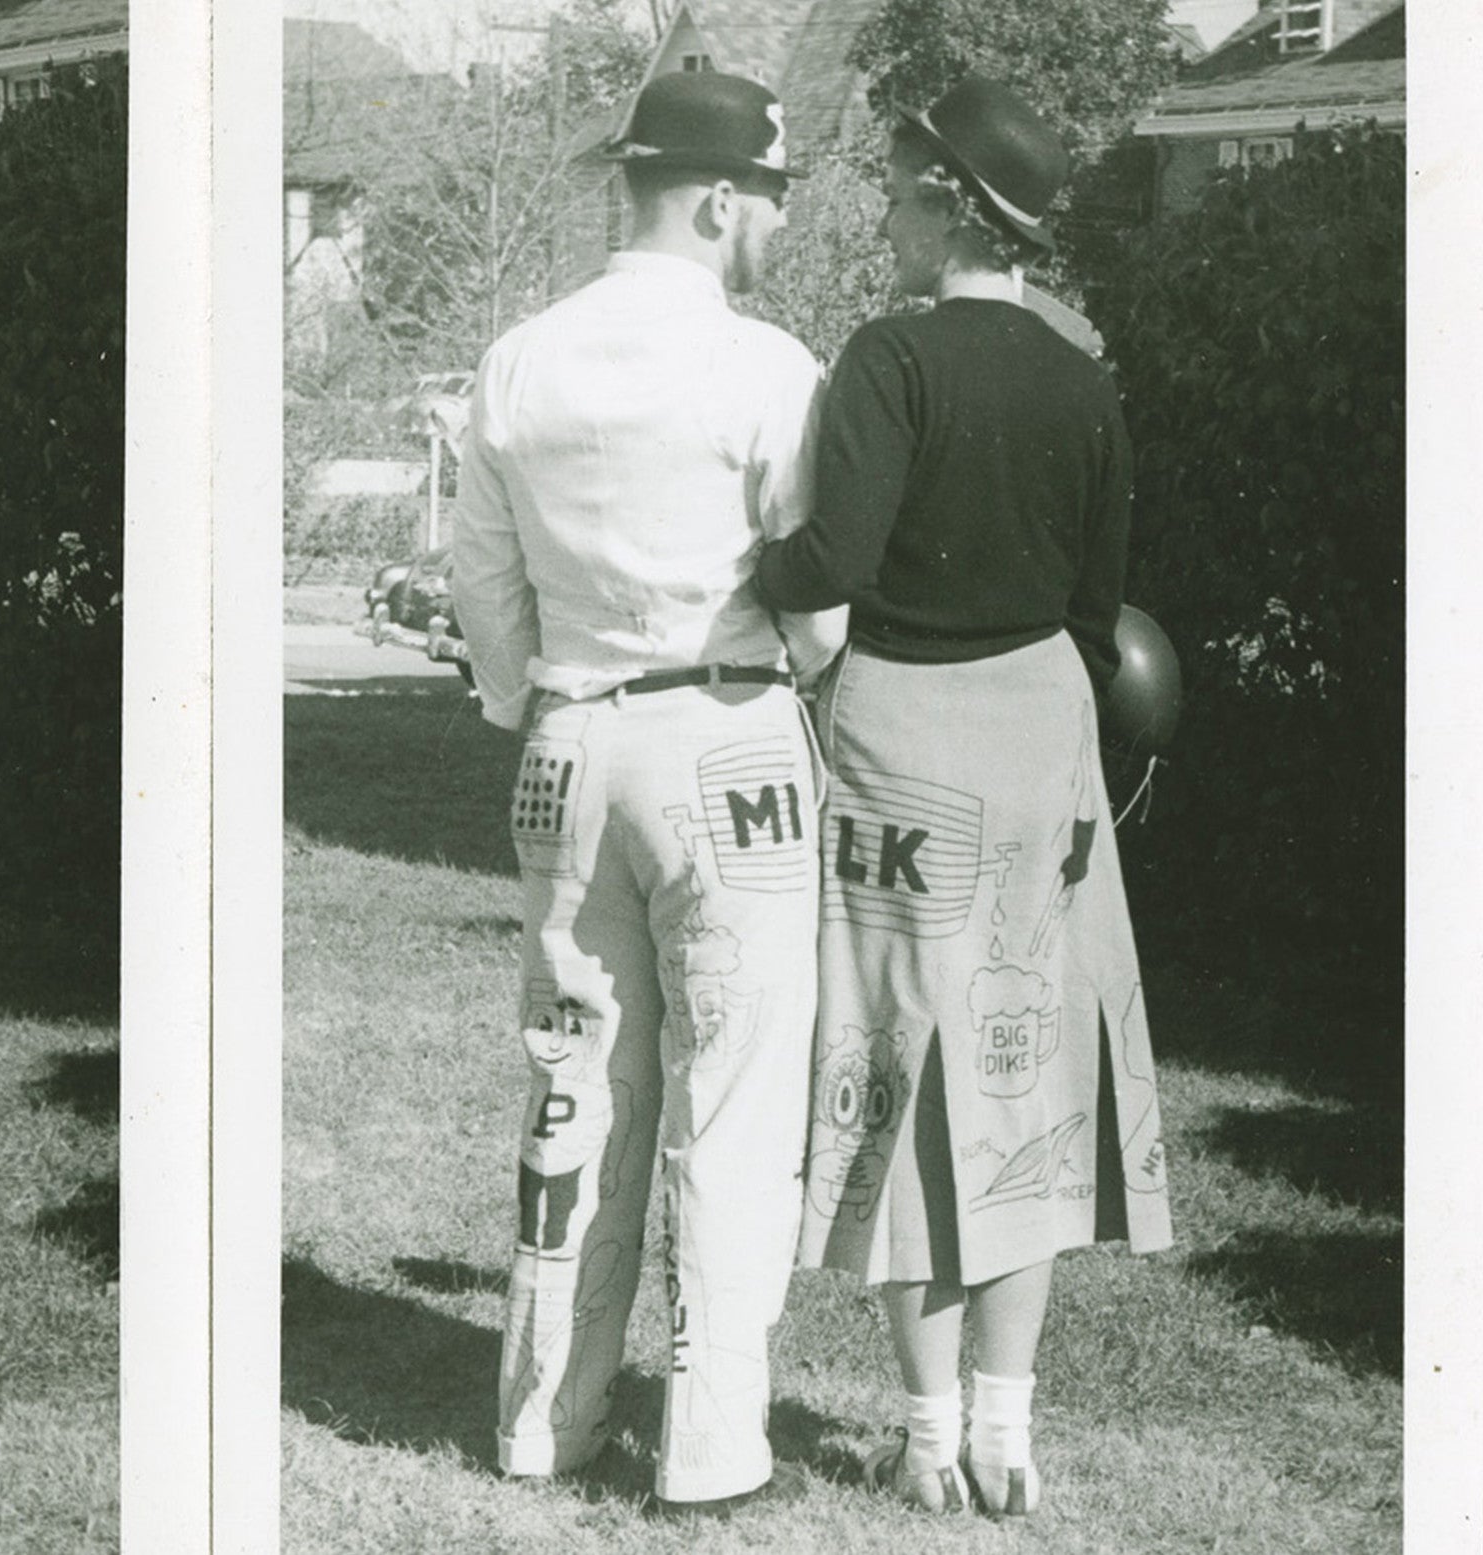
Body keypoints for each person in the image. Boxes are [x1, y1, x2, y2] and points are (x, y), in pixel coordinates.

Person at [755, 76, 1173, 1518]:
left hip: (905, 745)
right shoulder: (1086, 377)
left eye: (890, 187)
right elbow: (1104, 612)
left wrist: (745, 573)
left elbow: (831, 565)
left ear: (945, 201)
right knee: (1023, 1083)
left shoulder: (890, 356)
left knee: (899, 1072)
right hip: (1042, 738)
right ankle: (1009, 1434)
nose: (878, 210)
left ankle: (930, 1437)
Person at [449, 70, 844, 1519]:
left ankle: (544, 1420)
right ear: (723, 198)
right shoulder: (767, 369)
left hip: (568, 741)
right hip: (727, 731)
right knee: (730, 1099)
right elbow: (810, 592)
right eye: (775, 203)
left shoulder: (518, 359)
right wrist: (819, 674)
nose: (777, 230)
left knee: (572, 1084)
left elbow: (481, 581)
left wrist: (523, 700)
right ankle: (713, 1443)